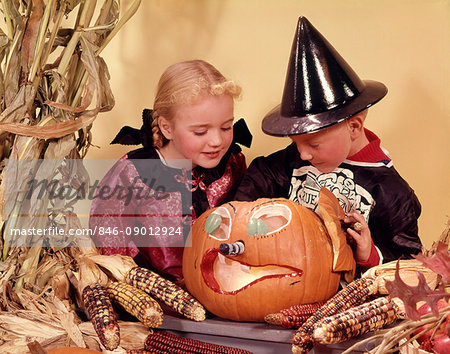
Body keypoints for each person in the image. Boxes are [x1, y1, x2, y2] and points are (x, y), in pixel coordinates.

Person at [232, 17, 422, 272]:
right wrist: (245, 217)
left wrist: (369, 253)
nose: (303, 153)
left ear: (353, 127)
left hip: (341, 297)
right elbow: (262, 174)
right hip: (288, 282)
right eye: (295, 143)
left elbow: (408, 262)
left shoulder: (391, 192)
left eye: (313, 144)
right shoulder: (295, 159)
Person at [89, 60, 252, 282]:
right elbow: (110, 239)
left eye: (226, 127)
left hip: (221, 288)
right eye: (201, 131)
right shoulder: (134, 174)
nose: (217, 140)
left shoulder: (231, 164)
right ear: (167, 128)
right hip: (155, 295)